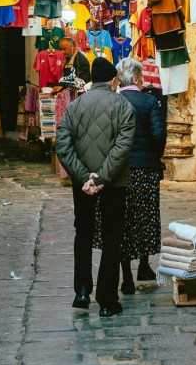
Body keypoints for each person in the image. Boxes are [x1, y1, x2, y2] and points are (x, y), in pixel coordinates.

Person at [55, 57, 135, 318]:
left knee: (83, 232)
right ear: (114, 81)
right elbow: (122, 147)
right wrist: (101, 178)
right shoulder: (123, 106)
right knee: (112, 237)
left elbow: (63, 145)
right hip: (114, 182)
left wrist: (84, 177)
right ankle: (106, 299)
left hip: (82, 183)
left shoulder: (74, 106)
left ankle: (81, 291)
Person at [114, 57, 167, 294]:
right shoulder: (149, 101)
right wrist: (154, 156)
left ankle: (126, 278)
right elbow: (158, 135)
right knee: (145, 217)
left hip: (121, 170)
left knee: (123, 220)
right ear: (137, 79)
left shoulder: (114, 102)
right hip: (145, 168)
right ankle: (144, 266)